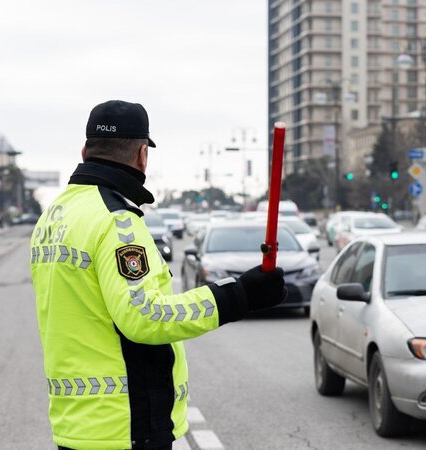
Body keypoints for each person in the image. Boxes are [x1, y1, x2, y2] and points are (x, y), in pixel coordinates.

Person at [29, 100, 286, 450]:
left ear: (85, 151)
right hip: (124, 425)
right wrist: (240, 295)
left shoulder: (54, 215)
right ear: (141, 157)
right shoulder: (117, 222)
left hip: (76, 422)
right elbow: (145, 317)